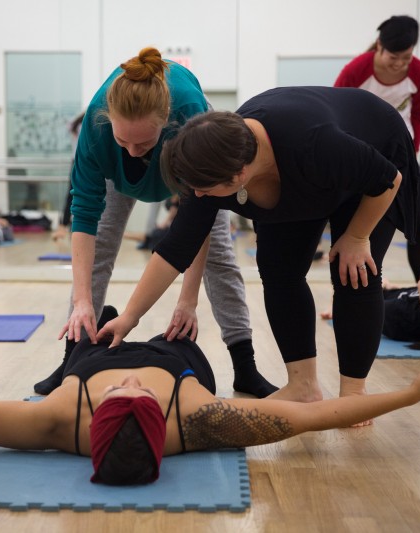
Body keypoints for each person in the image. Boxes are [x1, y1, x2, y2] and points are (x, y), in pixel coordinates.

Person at [97, 87, 420, 427]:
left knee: (353, 271)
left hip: (374, 158)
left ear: (238, 177)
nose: (196, 195)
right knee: (279, 270)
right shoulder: (209, 162)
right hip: (303, 175)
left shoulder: (316, 144)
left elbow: (388, 179)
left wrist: (357, 237)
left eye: (203, 189)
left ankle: (354, 395)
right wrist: (129, 317)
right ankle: (303, 386)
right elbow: (175, 248)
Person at [0, 340, 420, 486]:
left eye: (127, 397)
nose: (132, 387)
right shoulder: (200, 419)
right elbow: (308, 420)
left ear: (94, 425)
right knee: (182, 335)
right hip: (178, 350)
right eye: (136, 398)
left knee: (88, 333)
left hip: (90, 351)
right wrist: (416, 392)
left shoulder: (56, 418)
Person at [36, 47, 276, 399]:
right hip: (116, 176)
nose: (133, 151)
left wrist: (188, 299)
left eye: (144, 142)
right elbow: (84, 215)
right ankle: (72, 358)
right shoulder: (96, 126)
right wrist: (83, 302)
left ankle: (245, 366)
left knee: (220, 258)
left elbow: (201, 223)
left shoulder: (189, 114)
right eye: (123, 141)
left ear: (166, 122)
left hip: (189, 162)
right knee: (100, 244)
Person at [334, 15, 420, 281]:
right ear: (379, 46)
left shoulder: (419, 71)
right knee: (358, 222)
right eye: (394, 57)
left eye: (407, 57)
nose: (400, 63)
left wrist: (414, 149)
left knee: (417, 223)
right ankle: (354, 284)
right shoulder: (356, 69)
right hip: (362, 154)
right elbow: (334, 110)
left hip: (401, 152)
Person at [52, 112, 86, 242]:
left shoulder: (76, 124)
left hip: (78, 161)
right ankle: (63, 226)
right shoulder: (83, 124)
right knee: (73, 195)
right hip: (81, 161)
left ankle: (63, 226)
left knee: (72, 195)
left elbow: (69, 125)